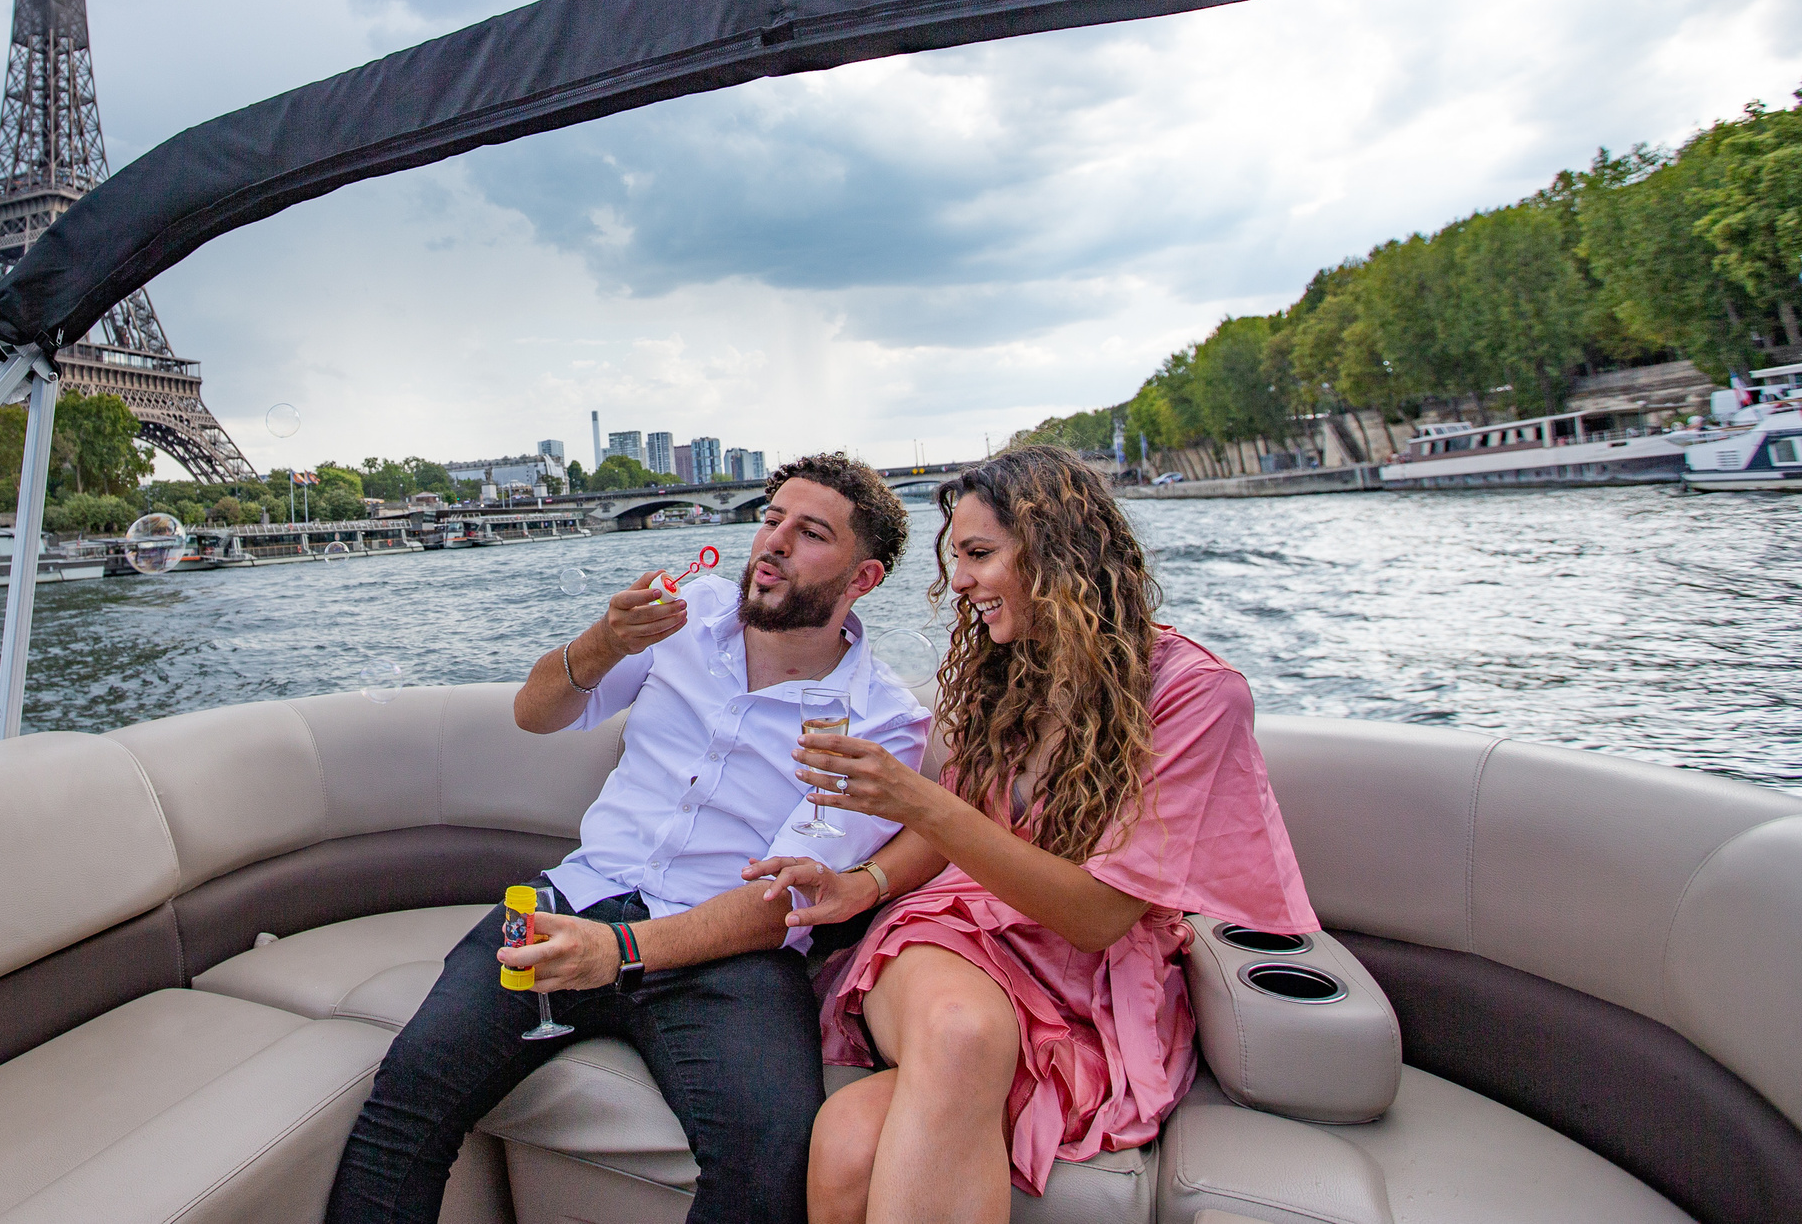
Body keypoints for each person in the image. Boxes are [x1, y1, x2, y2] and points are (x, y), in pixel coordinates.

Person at [325, 454, 934, 1224]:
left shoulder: (880, 721)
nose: (773, 541)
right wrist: (603, 640)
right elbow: (534, 712)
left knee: (770, 1159)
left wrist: (620, 951)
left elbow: (786, 897)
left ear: (863, 577)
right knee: (406, 1099)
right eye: (772, 517)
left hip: (731, 951)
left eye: (810, 532)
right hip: (573, 893)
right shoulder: (684, 612)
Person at [747, 446, 1317, 1224]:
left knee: (850, 1139)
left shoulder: (1195, 694)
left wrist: (915, 799)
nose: (960, 584)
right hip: (952, 936)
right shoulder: (1001, 666)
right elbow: (956, 844)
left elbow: (1097, 915)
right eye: (957, 559)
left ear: (1058, 551)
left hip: (1088, 970)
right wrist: (865, 885)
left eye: (979, 555)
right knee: (959, 1027)